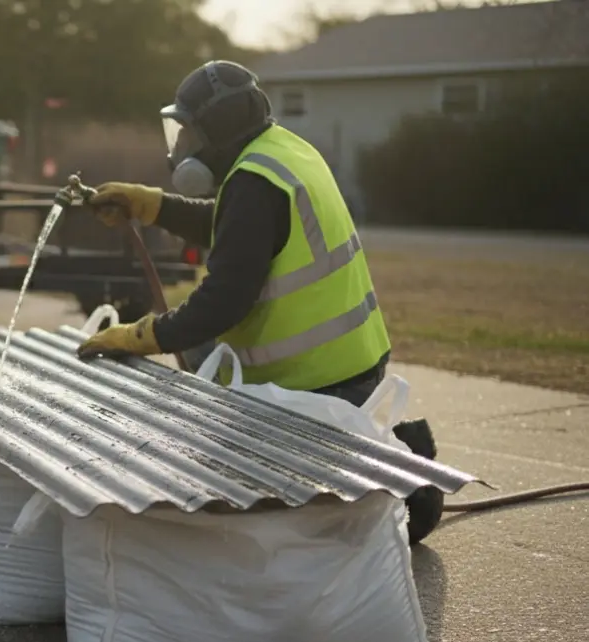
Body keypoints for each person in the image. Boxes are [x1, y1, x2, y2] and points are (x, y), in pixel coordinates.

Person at [74, 60, 443, 544]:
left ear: (219, 130)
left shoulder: (253, 181)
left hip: (314, 386)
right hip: (350, 363)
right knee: (205, 362)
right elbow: (237, 229)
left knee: (222, 476)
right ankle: (385, 448)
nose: (182, 146)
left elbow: (221, 303)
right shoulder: (280, 153)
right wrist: (152, 204)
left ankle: (395, 472)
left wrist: (139, 335)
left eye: (189, 131)